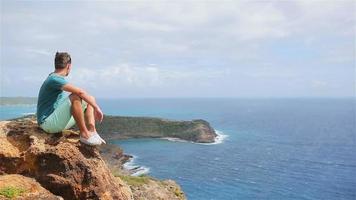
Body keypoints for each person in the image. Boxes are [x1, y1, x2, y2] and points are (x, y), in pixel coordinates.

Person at [36, 52, 106, 146]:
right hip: (47, 123)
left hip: (55, 122)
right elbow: (80, 92)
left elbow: (84, 96)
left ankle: (92, 132)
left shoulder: (54, 77)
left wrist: (93, 104)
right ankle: (84, 134)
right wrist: (97, 108)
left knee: (90, 99)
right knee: (75, 96)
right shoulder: (54, 79)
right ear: (68, 66)